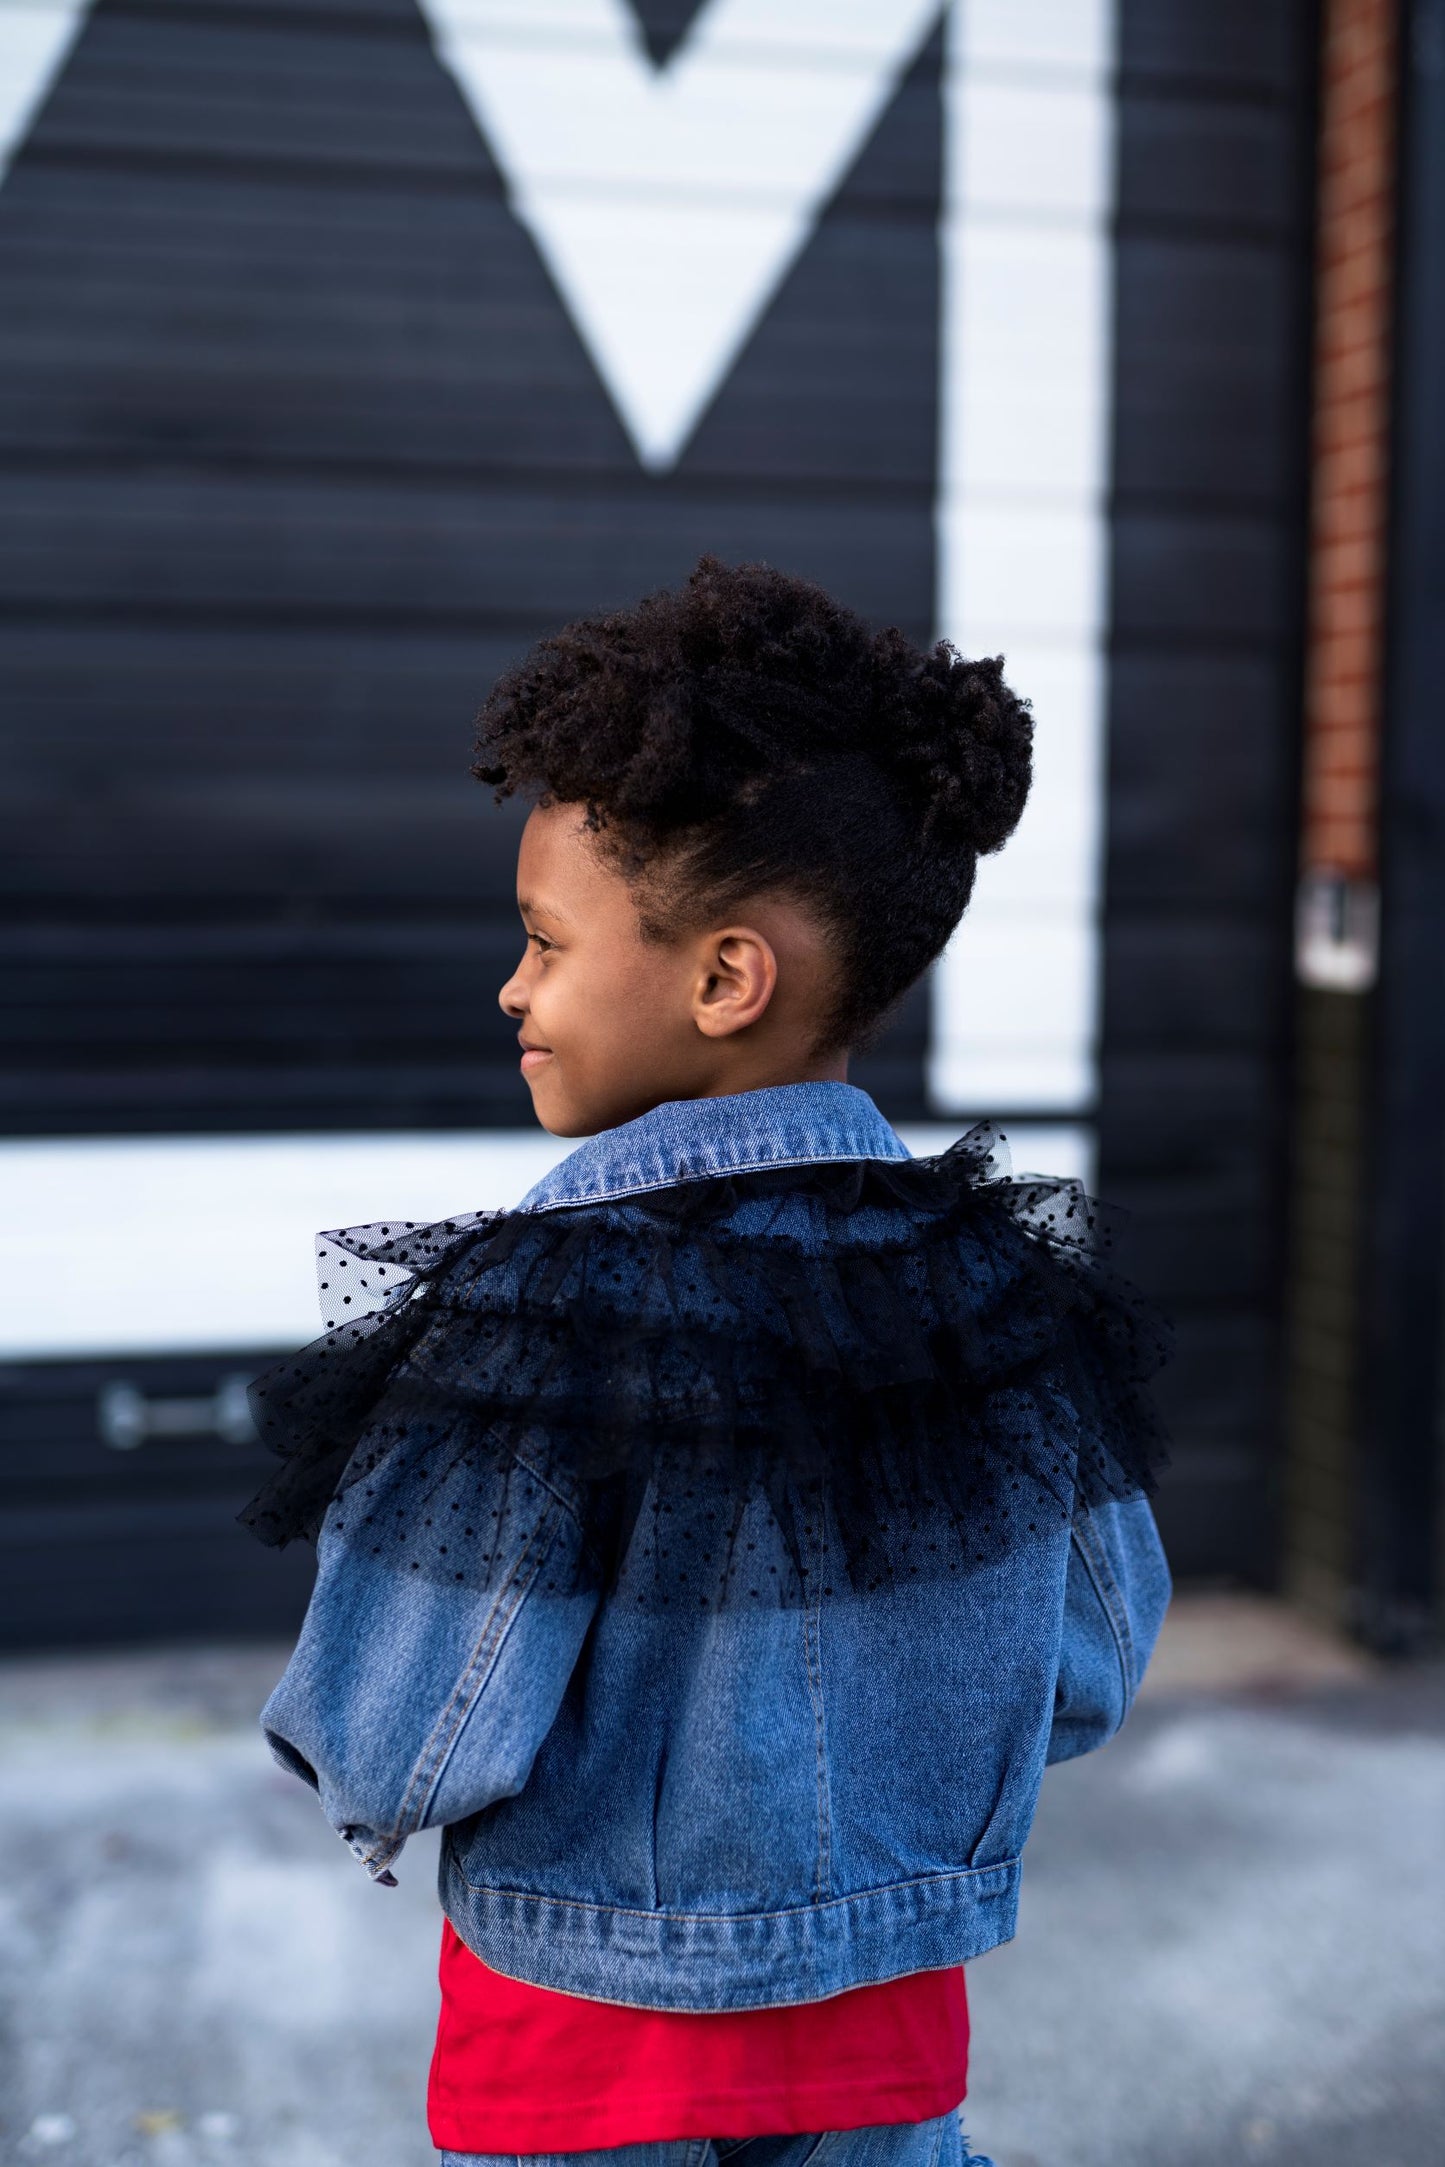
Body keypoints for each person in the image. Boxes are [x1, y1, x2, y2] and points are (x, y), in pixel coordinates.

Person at [245, 556, 1172, 2167]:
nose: (511, 987)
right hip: (884, 2021)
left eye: (542, 943)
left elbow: (410, 1733)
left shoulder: (546, 1311)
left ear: (724, 978)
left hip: (583, 2042)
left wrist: (347, 1765)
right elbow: (1090, 1657)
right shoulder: (986, 1286)